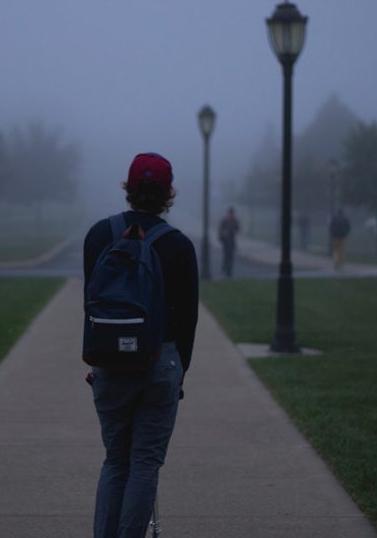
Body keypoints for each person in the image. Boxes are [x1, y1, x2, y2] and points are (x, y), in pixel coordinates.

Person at [83, 152, 199, 538]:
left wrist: (98, 360)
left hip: (109, 364)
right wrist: (179, 372)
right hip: (159, 362)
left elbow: (91, 304)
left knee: (115, 461)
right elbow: (187, 321)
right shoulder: (178, 246)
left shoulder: (99, 235)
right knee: (145, 462)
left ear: (129, 189)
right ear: (168, 194)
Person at [218, 206, 240, 277]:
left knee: (230, 256)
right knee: (226, 256)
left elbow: (237, 228)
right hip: (226, 241)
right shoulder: (225, 220)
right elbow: (220, 230)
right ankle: (226, 269)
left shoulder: (233, 220)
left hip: (231, 241)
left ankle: (228, 270)